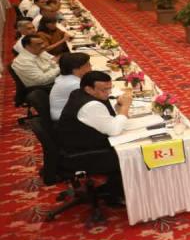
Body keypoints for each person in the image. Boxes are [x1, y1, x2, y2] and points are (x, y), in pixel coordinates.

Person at [56, 71, 133, 204]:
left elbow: (106, 117)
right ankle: (116, 195)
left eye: (110, 88)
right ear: (88, 89)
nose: (109, 93)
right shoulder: (90, 106)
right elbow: (114, 130)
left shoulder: (78, 93)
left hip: (72, 145)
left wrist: (119, 108)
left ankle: (115, 188)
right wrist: (125, 107)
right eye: (104, 90)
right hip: (81, 153)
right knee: (130, 153)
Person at [50, 53, 92, 121]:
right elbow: (92, 100)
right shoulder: (75, 84)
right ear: (75, 69)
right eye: (88, 65)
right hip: (65, 119)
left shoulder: (65, 77)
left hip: (65, 113)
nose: (91, 66)